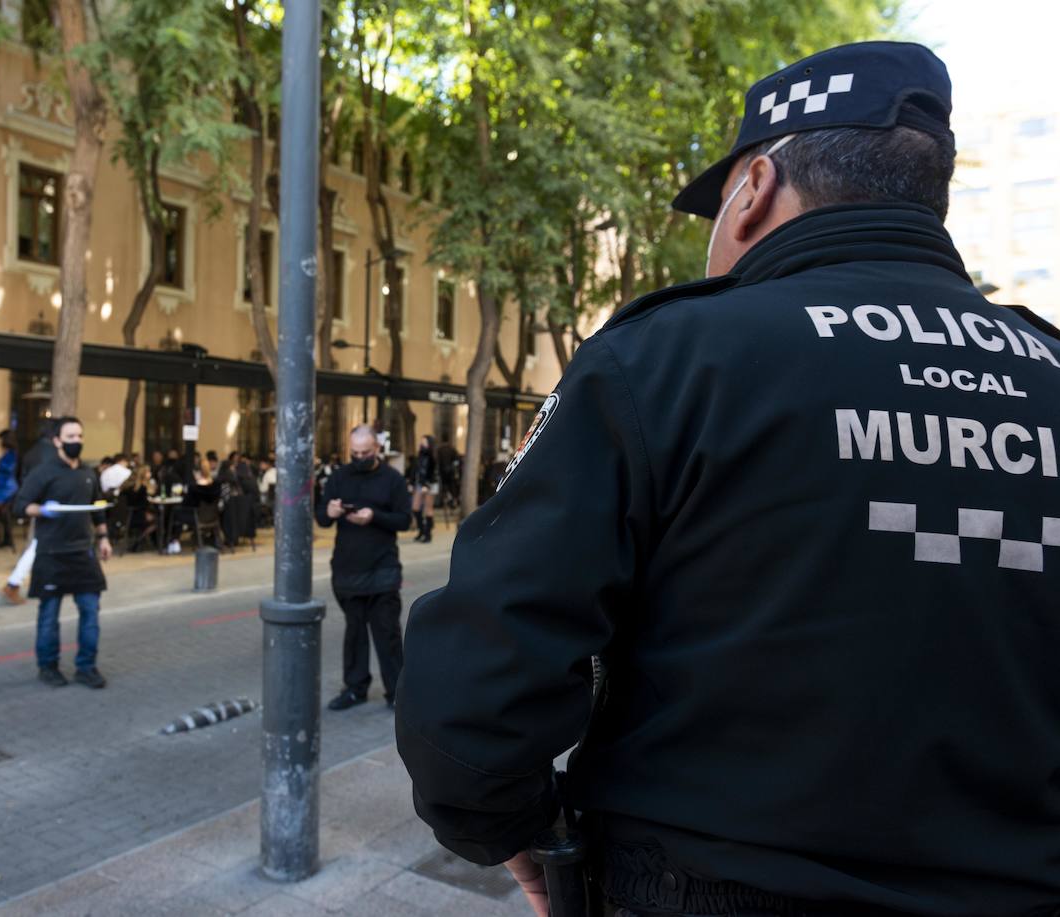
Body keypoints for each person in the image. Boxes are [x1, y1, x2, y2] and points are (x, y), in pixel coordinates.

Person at [395, 42, 1060, 917]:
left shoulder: (669, 358)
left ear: (753, 191)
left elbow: (474, 698)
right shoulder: (1048, 368)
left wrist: (519, 828)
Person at [316, 425, 411, 711]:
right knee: (354, 632)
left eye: (365, 453)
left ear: (377, 449)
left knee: (387, 634)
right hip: (347, 569)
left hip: (383, 568)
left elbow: (404, 520)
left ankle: (398, 693)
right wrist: (330, 512)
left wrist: (374, 516)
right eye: (354, 453)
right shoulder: (339, 477)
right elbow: (321, 517)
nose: (359, 458)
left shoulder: (392, 480)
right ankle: (355, 688)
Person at [12, 416, 112, 690]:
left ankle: (86, 667)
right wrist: (42, 510)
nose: (76, 442)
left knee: (91, 612)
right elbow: (20, 506)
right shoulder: (43, 473)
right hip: (51, 553)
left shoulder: (88, 474)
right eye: (70, 438)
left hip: (83, 553)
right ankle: (48, 667)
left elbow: (97, 508)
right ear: (57, 441)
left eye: (79, 436)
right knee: (49, 615)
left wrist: (103, 537)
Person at [3, 419, 62, 605]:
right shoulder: (53, 454)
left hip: (37, 503)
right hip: (50, 503)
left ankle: (18, 582)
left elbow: (21, 477)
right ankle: (13, 583)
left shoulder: (31, 453)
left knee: (41, 544)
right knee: (39, 545)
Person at [408, 435, 437, 543]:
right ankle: (421, 531)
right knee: (415, 508)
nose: (421, 443)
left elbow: (433, 471)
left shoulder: (432, 455)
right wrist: (411, 483)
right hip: (420, 483)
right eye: (421, 441)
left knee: (428, 509)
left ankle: (428, 534)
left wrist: (427, 484)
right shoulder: (420, 454)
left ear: (429, 443)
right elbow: (415, 469)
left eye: (424, 442)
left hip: (430, 484)